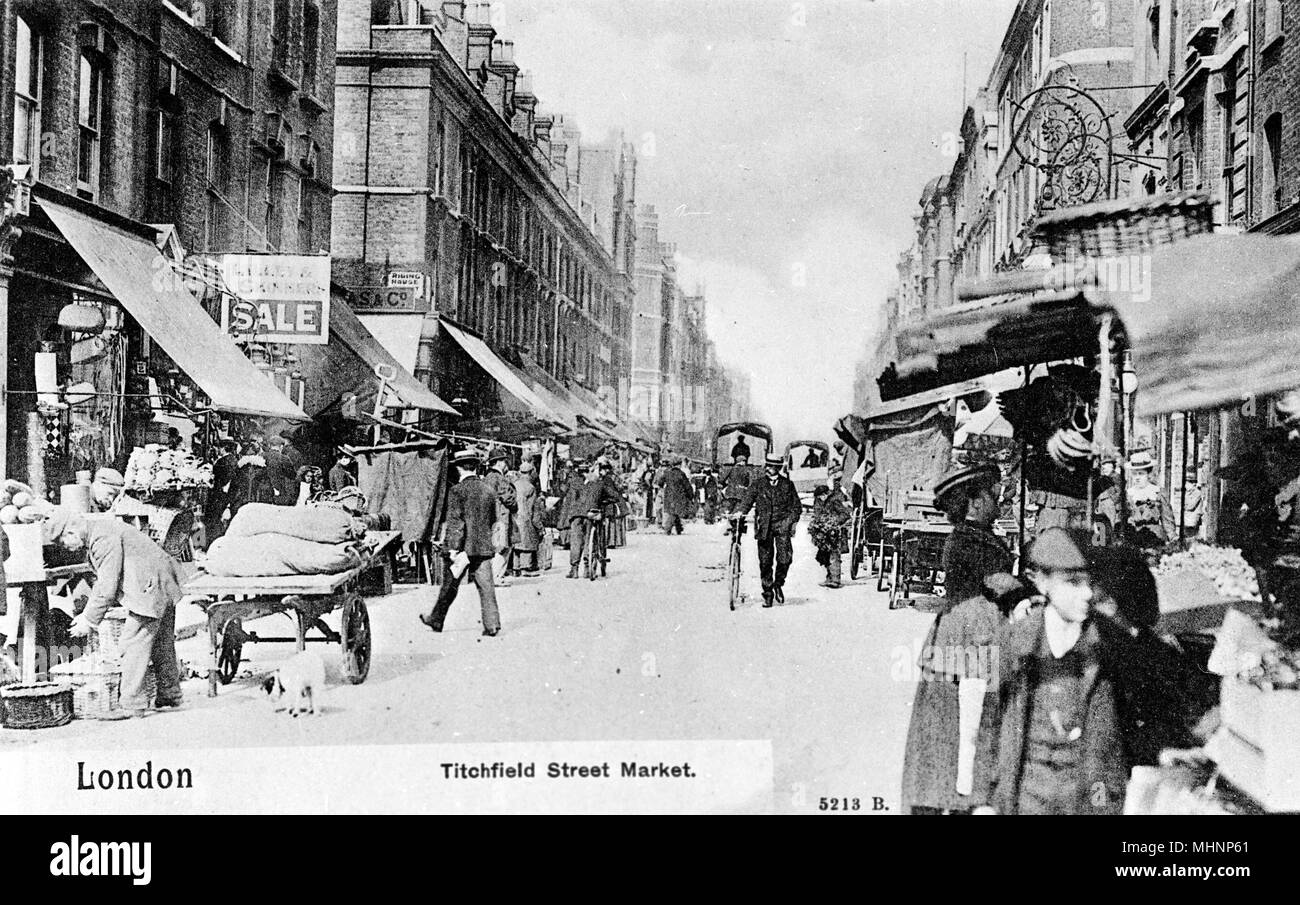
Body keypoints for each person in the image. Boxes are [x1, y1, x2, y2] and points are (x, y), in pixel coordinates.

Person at [976, 528, 1198, 815]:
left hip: (1086, 801)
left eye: (1089, 584)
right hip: (1023, 801)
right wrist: (981, 802)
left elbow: (1117, 738)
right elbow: (987, 727)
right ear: (1042, 583)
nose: (1087, 595)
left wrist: (1158, 755)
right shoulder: (1013, 645)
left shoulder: (1108, 648)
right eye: (1073, 583)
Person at [901, 572, 1034, 814]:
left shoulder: (976, 609)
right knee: (954, 761)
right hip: (953, 689)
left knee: (932, 766)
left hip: (941, 684)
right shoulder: (991, 622)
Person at [47, 508, 184, 717]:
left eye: (64, 542)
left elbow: (106, 585)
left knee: (132, 643)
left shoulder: (101, 538)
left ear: (71, 531)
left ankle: (132, 704)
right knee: (161, 642)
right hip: (160, 579)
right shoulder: (100, 530)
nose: (67, 548)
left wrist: (89, 619)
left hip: (148, 586)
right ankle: (170, 694)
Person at [420, 451, 501, 637]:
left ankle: (436, 619)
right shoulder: (488, 490)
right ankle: (492, 625)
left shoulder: (457, 491)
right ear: (475, 466)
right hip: (483, 547)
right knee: (487, 587)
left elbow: (456, 523)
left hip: (463, 550)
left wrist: (454, 548)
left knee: (450, 584)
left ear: (458, 468)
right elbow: (494, 521)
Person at [933, 464, 1012, 605]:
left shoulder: (973, 535)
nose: (997, 502)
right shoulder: (971, 543)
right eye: (992, 497)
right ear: (977, 502)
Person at [737, 454, 802, 606]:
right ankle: (767, 593)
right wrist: (741, 511)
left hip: (782, 525)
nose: (767, 468)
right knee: (765, 562)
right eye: (767, 465)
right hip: (764, 527)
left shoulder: (788, 485)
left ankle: (778, 583)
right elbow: (747, 500)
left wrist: (788, 522)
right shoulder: (758, 484)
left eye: (771, 466)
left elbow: (796, 507)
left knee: (785, 558)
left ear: (778, 468)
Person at [559, 459, 623, 578]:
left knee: (576, 541)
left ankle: (574, 569)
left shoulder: (573, 482)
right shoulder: (598, 482)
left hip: (576, 515)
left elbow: (565, 494)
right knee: (589, 539)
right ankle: (587, 569)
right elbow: (614, 495)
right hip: (590, 514)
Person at [1126, 450, 1175, 549]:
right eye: (1135, 474)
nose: (1137, 478)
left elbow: (1167, 520)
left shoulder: (1157, 492)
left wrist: (1172, 539)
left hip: (1156, 537)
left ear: (1148, 474)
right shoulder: (1128, 494)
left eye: (1141, 473)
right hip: (1134, 538)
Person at [483, 450, 518, 587]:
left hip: (490, 517)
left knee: (494, 546)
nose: (506, 463)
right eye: (504, 461)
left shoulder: (487, 477)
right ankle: (496, 577)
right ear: (498, 462)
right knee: (502, 547)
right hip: (501, 517)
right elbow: (509, 499)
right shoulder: (499, 478)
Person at [809, 484, 850, 589]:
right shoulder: (818, 501)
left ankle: (835, 580)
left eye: (821, 496)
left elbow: (845, 514)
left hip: (834, 533)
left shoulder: (834, 500)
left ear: (826, 494)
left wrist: (834, 522)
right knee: (824, 556)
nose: (820, 499)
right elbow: (816, 514)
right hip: (822, 533)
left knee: (834, 555)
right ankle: (829, 578)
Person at [511, 461, 543, 575]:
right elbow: (533, 510)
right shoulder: (531, 487)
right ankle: (526, 568)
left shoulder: (514, 484)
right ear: (530, 473)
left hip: (514, 518)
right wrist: (539, 527)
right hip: (525, 519)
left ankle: (516, 568)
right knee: (527, 542)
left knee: (516, 545)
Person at [204, 440, 239, 543]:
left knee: (212, 519)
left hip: (218, 494)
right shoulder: (233, 459)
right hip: (226, 494)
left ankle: (208, 542)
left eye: (219, 448)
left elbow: (217, 478)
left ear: (223, 448)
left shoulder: (222, 461)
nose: (218, 450)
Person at [656, 456, 695, 535]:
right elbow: (687, 486)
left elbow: (660, 482)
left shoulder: (667, 473)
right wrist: (691, 495)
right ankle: (668, 529)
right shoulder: (681, 474)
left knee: (672, 512)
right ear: (679, 465)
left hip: (668, 496)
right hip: (679, 496)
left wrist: (664, 487)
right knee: (674, 513)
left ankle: (678, 528)